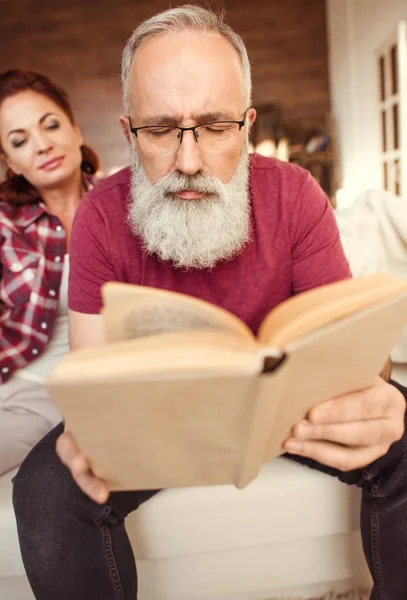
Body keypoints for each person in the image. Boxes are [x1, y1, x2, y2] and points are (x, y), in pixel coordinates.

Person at [12, 6, 407, 600]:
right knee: (44, 487)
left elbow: (353, 359)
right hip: (157, 425)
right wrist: (95, 429)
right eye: (161, 129)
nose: (189, 161)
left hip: (290, 418)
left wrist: (373, 392)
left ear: (246, 126)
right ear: (128, 132)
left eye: (216, 127)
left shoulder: (296, 195)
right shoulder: (97, 216)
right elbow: (92, 379)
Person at [0, 69, 99, 474]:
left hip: (101, 391)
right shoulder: (4, 224)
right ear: (12, 163)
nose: (42, 146)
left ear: (76, 131)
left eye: (51, 125)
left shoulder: (126, 207)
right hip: (28, 390)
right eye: (20, 141)